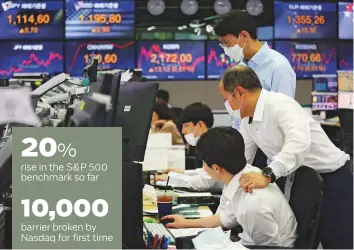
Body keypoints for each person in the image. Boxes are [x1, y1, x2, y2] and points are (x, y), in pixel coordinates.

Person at [219, 65, 353, 249]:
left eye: (226, 99)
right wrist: (221, 210)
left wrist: (266, 175)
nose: (226, 106)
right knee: (308, 239)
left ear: (240, 93)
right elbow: (240, 161)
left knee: (338, 241)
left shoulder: (280, 105)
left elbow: (298, 144)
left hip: (333, 179)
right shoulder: (247, 121)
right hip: (301, 182)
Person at [162, 127, 298, 248]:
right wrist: (185, 223)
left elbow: (268, 246)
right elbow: (225, 218)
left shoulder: (252, 203)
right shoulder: (244, 175)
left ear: (216, 168)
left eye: (203, 163)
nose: (203, 167)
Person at [213, 10, 296, 130]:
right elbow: (238, 114)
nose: (225, 49)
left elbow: (285, 115)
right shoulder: (240, 68)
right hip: (246, 140)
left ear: (244, 36)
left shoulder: (278, 67)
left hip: (271, 142)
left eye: (227, 43)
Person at [154, 102, 223, 191]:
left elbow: (205, 182)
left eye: (186, 126)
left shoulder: (212, 145)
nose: (183, 131)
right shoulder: (208, 142)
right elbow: (205, 172)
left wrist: (169, 178)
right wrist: (180, 172)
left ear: (200, 125)